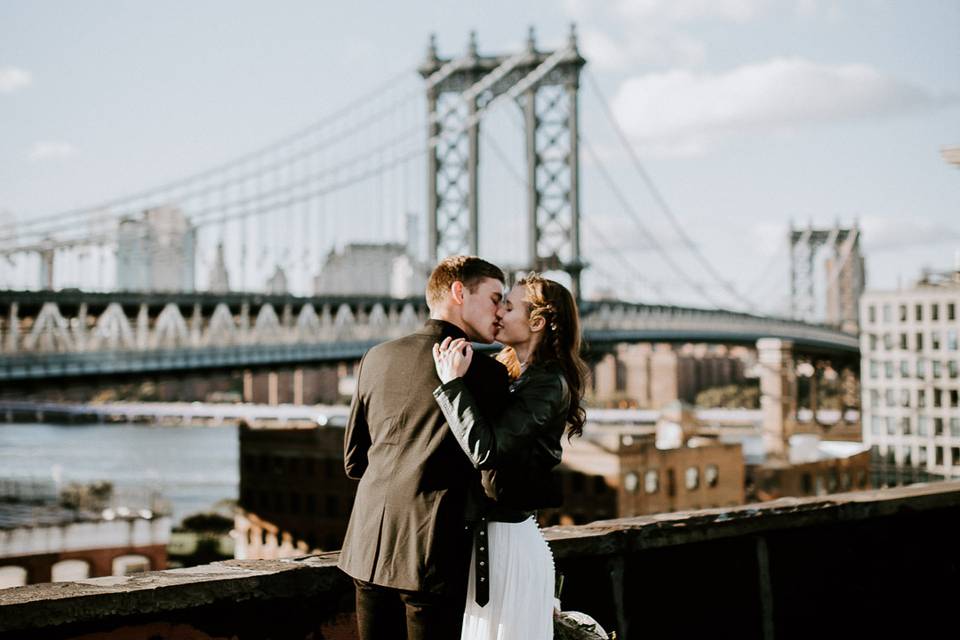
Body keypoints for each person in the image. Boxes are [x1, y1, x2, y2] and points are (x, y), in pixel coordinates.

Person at [338, 256, 512, 640]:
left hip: (366, 550)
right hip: (435, 554)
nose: (501, 311)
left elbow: (354, 460)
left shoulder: (376, 357)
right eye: (495, 298)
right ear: (459, 292)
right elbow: (497, 475)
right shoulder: (487, 374)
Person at [432, 273, 588, 640]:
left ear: (536, 322)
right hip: (491, 543)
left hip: (508, 546)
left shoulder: (548, 383)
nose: (498, 312)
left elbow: (487, 450)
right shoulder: (518, 376)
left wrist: (451, 385)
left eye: (509, 305)